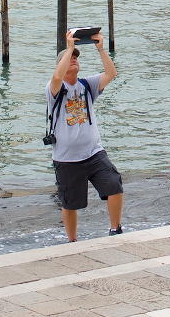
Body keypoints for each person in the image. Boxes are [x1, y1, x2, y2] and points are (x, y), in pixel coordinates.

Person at [48, 35, 123, 241]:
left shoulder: (87, 85)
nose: (74, 59)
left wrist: (101, 49)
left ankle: (115, 229)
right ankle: (72, 241)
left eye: (76, 57)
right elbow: (57, 77)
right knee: (69, 203)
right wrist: (69, 48)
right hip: (66, 158)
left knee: (114, 184)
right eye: (70, 57)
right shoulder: (54, 88)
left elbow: (111, 73)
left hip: (94, 153)